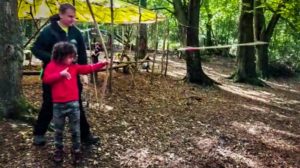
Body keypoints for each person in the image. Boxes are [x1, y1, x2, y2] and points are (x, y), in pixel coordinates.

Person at [31, 3, 99, 146]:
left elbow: (81, 55)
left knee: (77, 105)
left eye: (74, 17)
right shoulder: (48, 31)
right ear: (61, 15)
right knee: (49, 104)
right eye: (69, 16)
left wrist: (84, 72)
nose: (72, 20)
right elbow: (36, 49)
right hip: (52, 76)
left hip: (72, 77)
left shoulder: (76, 32)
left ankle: (85, 135)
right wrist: (54, 60)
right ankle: (38, 134)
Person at [43, 42, 108, 163]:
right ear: (60, 56)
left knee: (76, 130)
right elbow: (46, 79)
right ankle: (59, 150)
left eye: (73, 56)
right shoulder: (51, 66)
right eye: (70, 56)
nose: (73, 59)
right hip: (58, 105)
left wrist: (102, 64)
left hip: (73, 104)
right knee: (58, 130)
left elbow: (88, 68)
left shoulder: (74, 66)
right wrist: (60, 74)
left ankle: (76, 150)